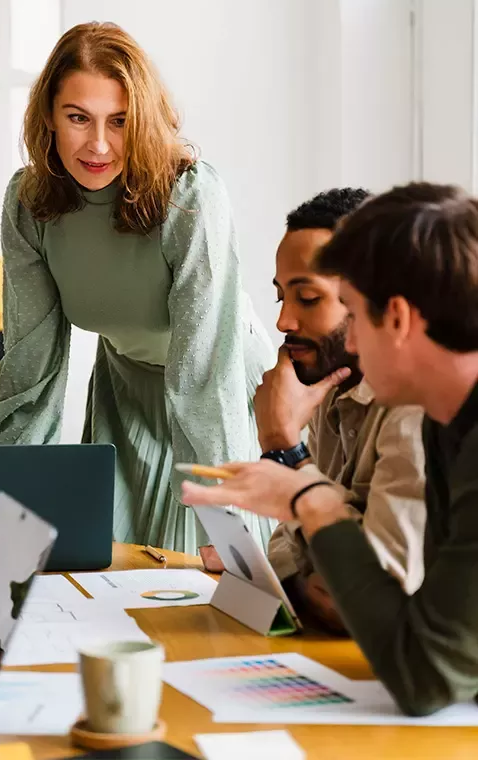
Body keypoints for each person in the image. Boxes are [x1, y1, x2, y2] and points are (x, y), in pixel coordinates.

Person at [182, 182, 478, 716]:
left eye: (355, 314)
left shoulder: (439, 425)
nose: (354, 344)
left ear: (399, 318)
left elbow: (422, 672)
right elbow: (420, 627)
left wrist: (308, 494)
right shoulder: (446, 423)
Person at [0, 22, 275, 553]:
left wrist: (224, 515)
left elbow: (204, 374)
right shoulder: (29, 204)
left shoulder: (190, 194)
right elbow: (31, 375)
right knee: (112, 562)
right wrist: (2, 512)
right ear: (49, 115)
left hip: (226, 390)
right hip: (125, 384)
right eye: (78, 118)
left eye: (119, 122)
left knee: (211, 574)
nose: (98, 144)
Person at [255, 189, 426, 631]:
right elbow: (287, 548)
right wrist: (298, 581)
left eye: (308, 298)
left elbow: (374, 595)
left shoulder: (419, 409)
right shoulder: (333, 388)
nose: (283, 322)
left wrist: (284, 449)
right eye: (281, 298)